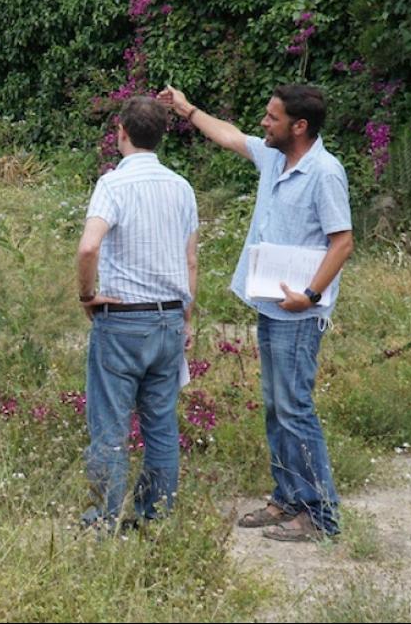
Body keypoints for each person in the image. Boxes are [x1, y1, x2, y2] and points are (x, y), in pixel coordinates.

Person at [160, 83, 353, 542]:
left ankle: (319, 516)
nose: (263, 124)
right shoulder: (273, 157)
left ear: (299, 126)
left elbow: (342, 242)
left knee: (295, 408)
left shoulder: (325, 173)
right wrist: (188, 110)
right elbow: (228, 135)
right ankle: (288, 498)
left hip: (298, 316)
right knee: (277, 408)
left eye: (272, 117)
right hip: (271, 306)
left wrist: (309, 294)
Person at [76, 96, 198, 531]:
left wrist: (87, 294)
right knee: (161, 425)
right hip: (168, 318)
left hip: (123, 319)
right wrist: (184, 318)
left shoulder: (113, 185)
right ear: (161, 135)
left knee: (110, 428)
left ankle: (102, 520)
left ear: (121, 132)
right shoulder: (181, 187)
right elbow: (190, 261)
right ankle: (153, 518)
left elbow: (89, 245)